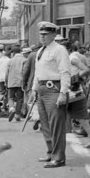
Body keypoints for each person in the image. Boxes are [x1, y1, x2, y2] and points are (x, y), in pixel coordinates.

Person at [29, 21, 71, 169]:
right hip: (41, 89)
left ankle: (59, 157)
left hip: (54, 89)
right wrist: (34, 90)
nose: (43, 37)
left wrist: (63, 93)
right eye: (41, 34)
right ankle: (50, 152)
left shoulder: (60, 50)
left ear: (54, 35)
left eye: (46, 34)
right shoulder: (41, 51)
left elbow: (65, 72)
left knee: (56, 125)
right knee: (45, 124)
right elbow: (37, 73)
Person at [6, 45, 26, 122]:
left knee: (10, 97)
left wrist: (6, 81)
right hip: (20, 82)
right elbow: (25, 72)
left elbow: (7, 73)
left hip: (11, 82)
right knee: (20, 99)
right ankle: (17, 115)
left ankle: (11, 108)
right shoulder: (24, 60)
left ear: (13, 53)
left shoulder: (10, 61)